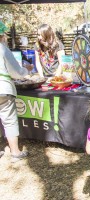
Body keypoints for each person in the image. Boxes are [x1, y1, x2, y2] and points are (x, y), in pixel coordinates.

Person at [0, 21, 33, 162]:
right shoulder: (2, 48)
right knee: (9, 120)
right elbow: (16, 72)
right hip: (3, 88)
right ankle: (15, 152)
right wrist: (28, 69)